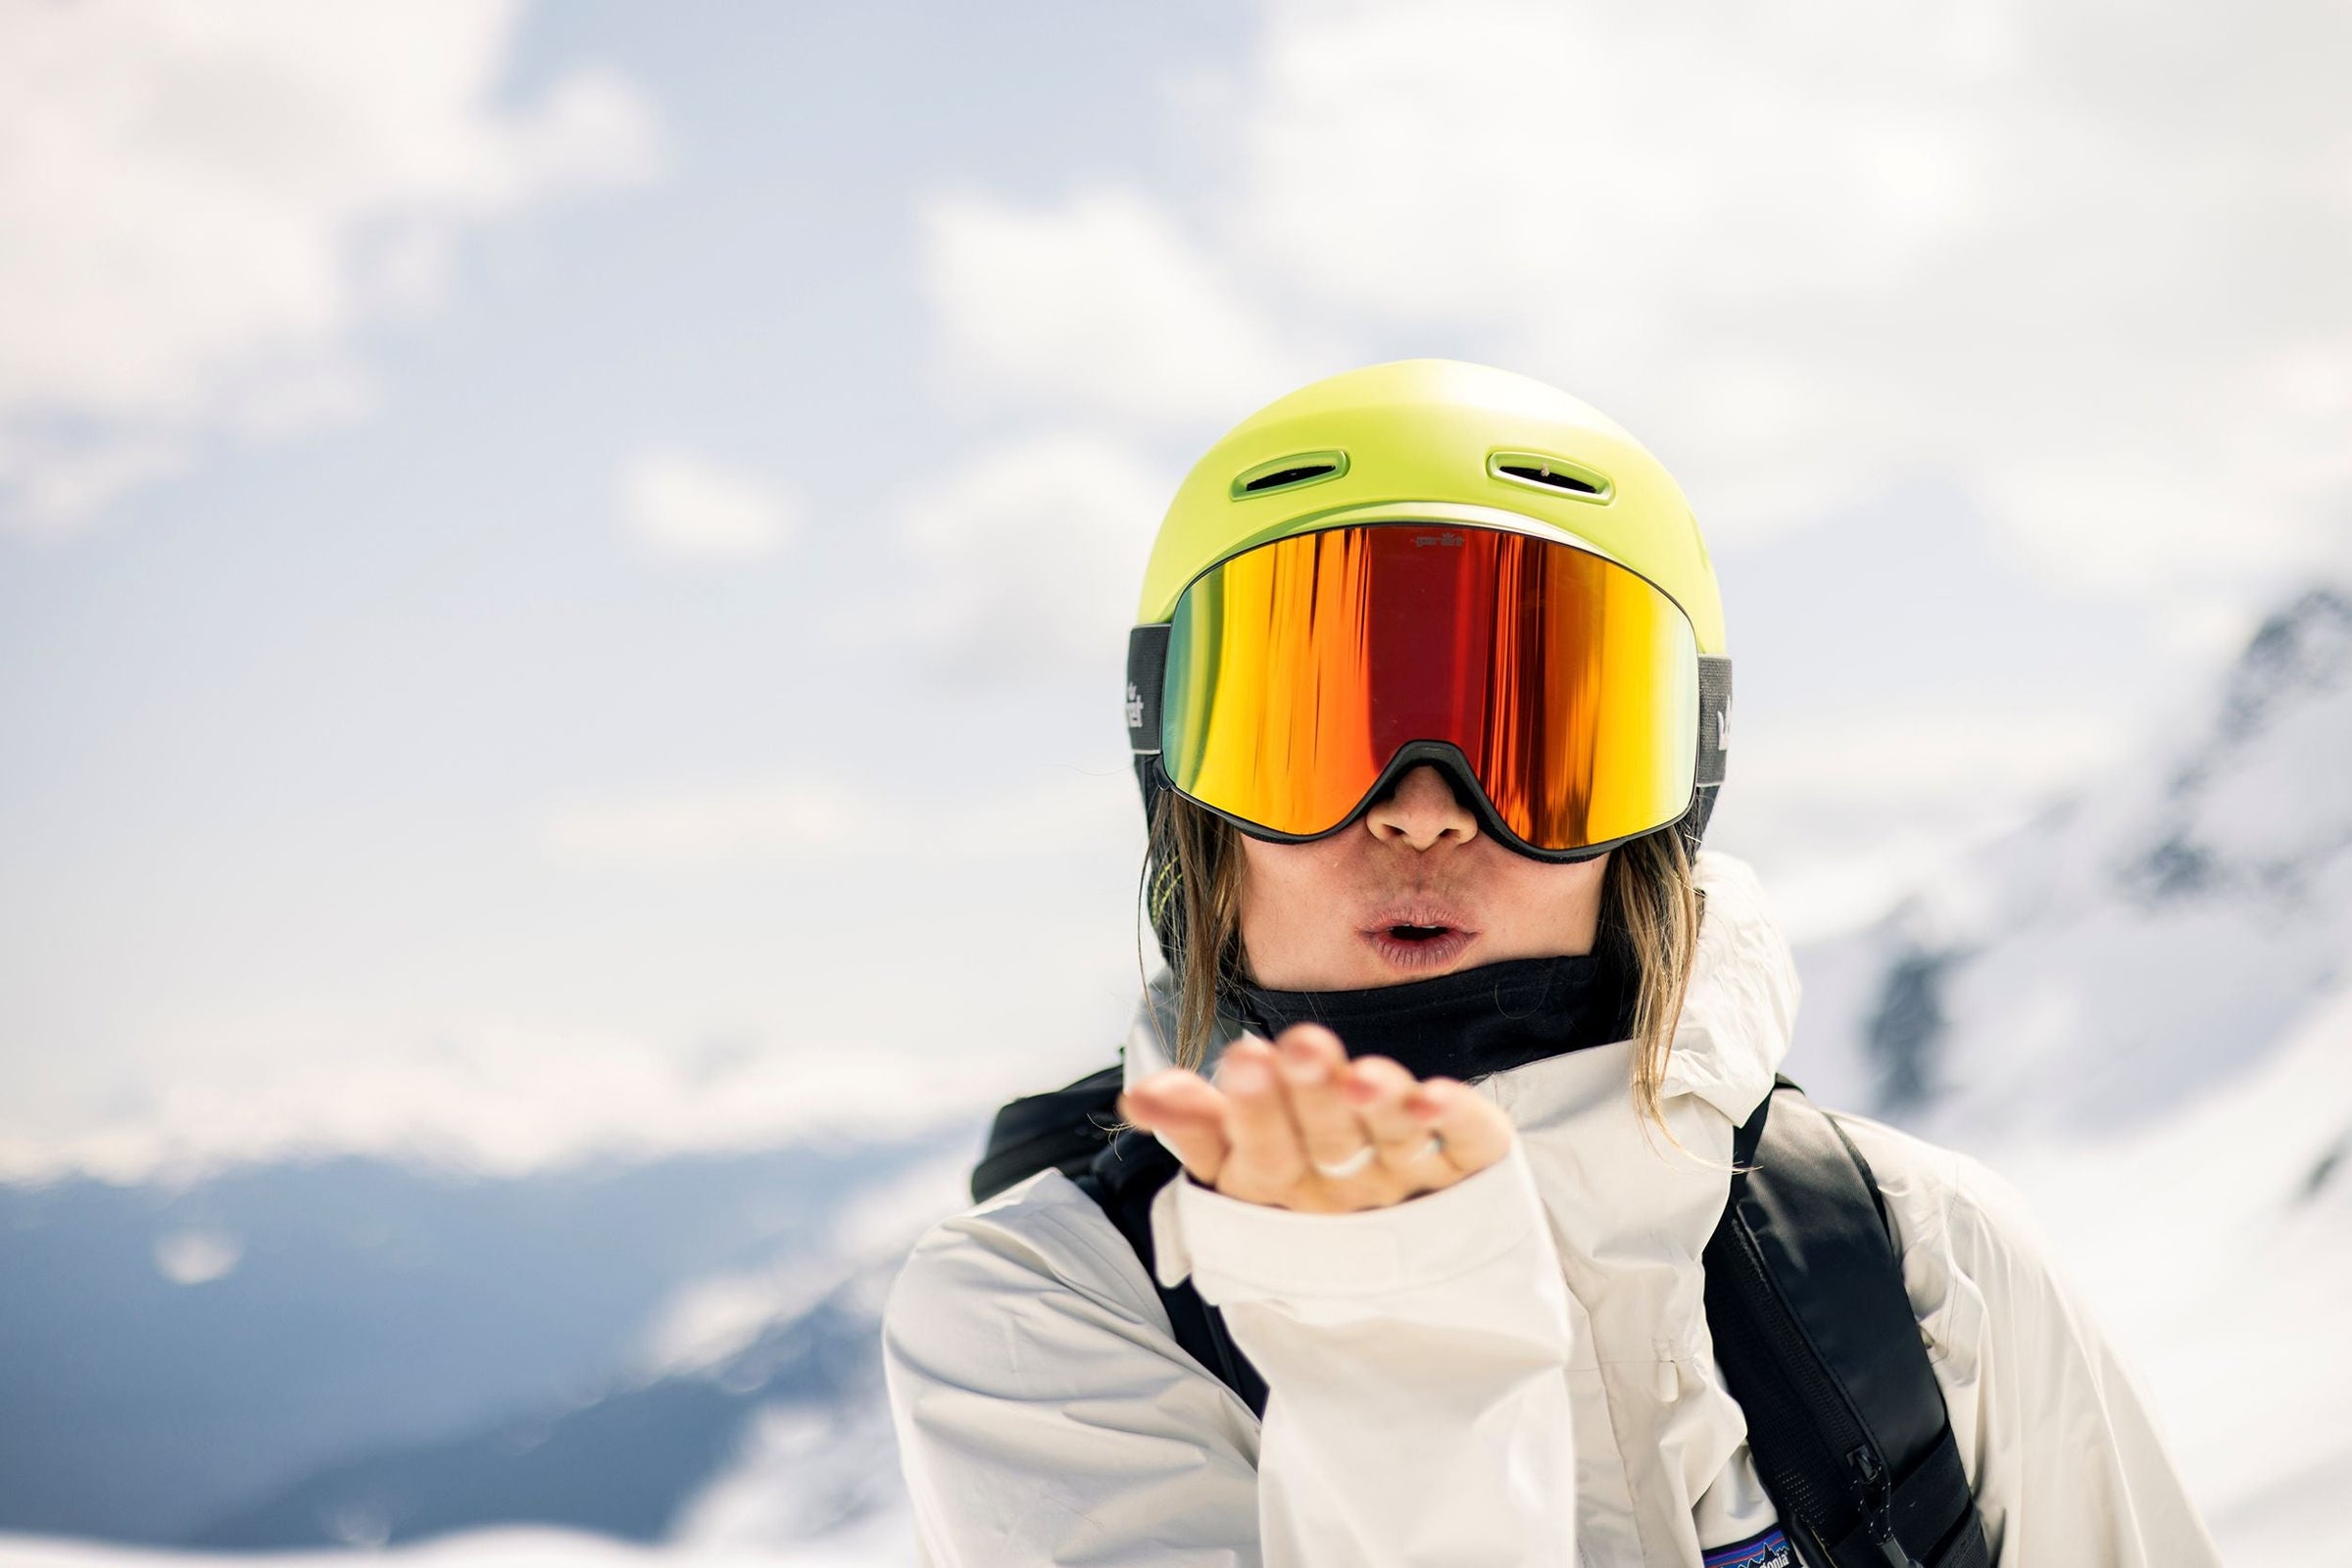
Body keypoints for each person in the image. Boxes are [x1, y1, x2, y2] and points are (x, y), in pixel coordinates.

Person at [880, 361, 2218, 1566]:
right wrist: (1397, 1331)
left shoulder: (1918, 1257)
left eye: (1535, 734)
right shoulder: (1040, 1315)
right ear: (1184, 794)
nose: (1423, 807)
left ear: (1663, 804)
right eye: (1310, 726)